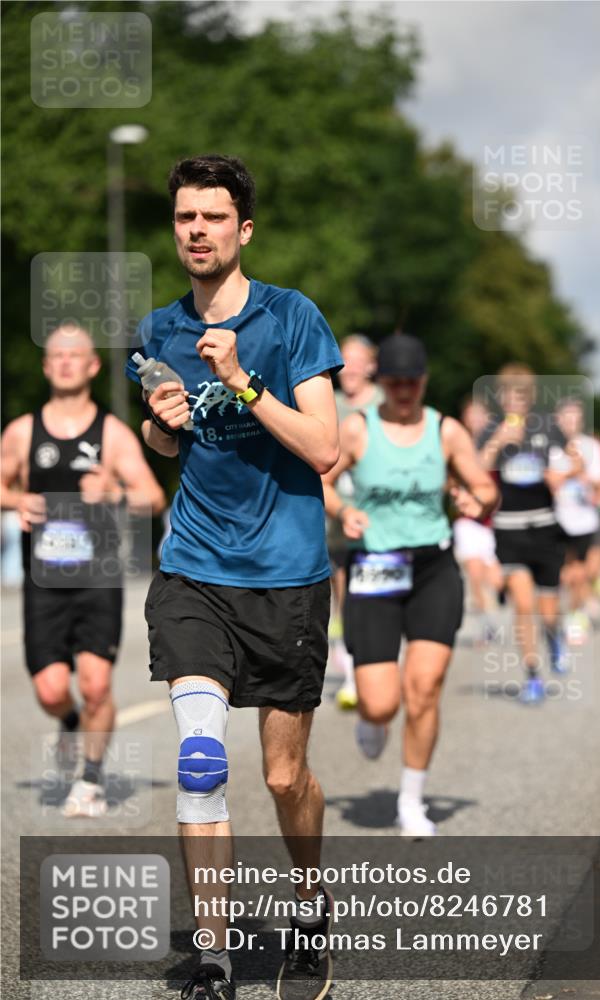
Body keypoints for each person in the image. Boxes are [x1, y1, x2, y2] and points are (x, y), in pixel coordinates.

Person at [126, 154, 343, 1000]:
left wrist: (242, 382)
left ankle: (310, 904)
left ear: (242, 229)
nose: (197, 231)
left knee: (284, 777)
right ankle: (214, 957)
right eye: (185, 218)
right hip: (194, 569)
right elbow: (168, 447)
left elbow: (324, 447)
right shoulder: (156, 330)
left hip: (285, 577)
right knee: (201, 758)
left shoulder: (292, 319)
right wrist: (162, 425)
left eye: (213, 218)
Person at [322, 333, 497, 837]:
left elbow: (484, 486)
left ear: (422, 382)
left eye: (411, 382)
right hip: (375, 568)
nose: (402, 391)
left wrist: (476, 501)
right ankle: (372, 721)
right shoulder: (357, 429)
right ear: (383, 383)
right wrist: (344, 510)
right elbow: (321, 480)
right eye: (393, 382)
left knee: (423, 691)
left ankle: (411, 801)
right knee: (382, 702)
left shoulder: (445, 431)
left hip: (432, 569)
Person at [0, 324, 165, 817]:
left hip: (97, 578)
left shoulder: (111, 434)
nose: (67, 362)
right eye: (58, 356)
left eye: (77, 355)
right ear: (47, 366)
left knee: (96, 684)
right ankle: (69, 720)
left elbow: (153, 497)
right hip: (44, 580)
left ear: (93, 366)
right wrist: (15, 500)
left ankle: (90, 781)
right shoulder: (23, 432)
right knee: (51, 689)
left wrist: (112, 494)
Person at [478, 365, 574, 704]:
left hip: (544, 526)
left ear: (528, 398)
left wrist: (561, 474)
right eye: (507, 395)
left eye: (519, 395)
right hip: (509, 528)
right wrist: (497, 442)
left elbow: (577, 461)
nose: (513, 401)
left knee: (548, 610)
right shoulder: (492, 428)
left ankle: (555, 637)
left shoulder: (547, 426)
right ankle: (532, 675)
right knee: (522, 602)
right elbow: (476, 466)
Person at [328, 334, 384, 709]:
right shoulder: (326, 403)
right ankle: (354, 675)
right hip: (334, 518)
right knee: (346, 597)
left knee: (375, 598)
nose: (349, 368)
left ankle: (377, 666)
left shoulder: (385, 403)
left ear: (372, 366)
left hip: (380, 520)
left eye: (357, 360)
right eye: (343, 360)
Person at [552, 398, 600, 641]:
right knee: (564, 575)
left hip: (584, 521)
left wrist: (585, 472)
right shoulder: (550, 447)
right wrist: (572, 470)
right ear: (557, 419)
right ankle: (569, 612)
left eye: (574, 417)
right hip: (557, 520)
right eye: (565, 417)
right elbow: (551, 482)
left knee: (579, 574)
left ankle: (575, 616)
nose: (569, 422)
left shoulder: (591, 446)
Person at [453, 397, 503, 645]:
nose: (476, 420)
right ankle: (488, 625)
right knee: (474, 572)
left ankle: (493, 613)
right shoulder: (460, 445)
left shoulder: (502, 445)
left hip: (493, 522)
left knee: (495, 578)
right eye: (471, 415)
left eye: (480, 414)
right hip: (468, 520)